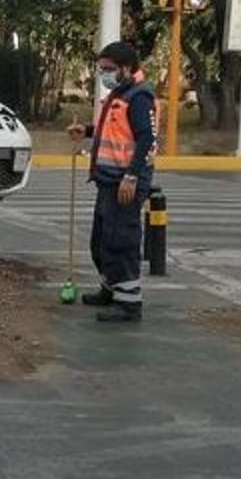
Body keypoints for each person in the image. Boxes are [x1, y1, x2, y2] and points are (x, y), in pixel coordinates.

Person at [67, 41, 157, 323]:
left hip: (124, 181)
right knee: (102, 240)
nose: (103, 75)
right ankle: (110, 288)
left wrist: (131, 176)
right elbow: (116, 131)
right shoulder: (120, 93)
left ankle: (128, 303)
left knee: (121, 241)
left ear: (126, 68)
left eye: (108, 69)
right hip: (108, 181)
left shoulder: (139, 97)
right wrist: (87, 131)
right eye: (101, 69)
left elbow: (146, 138)